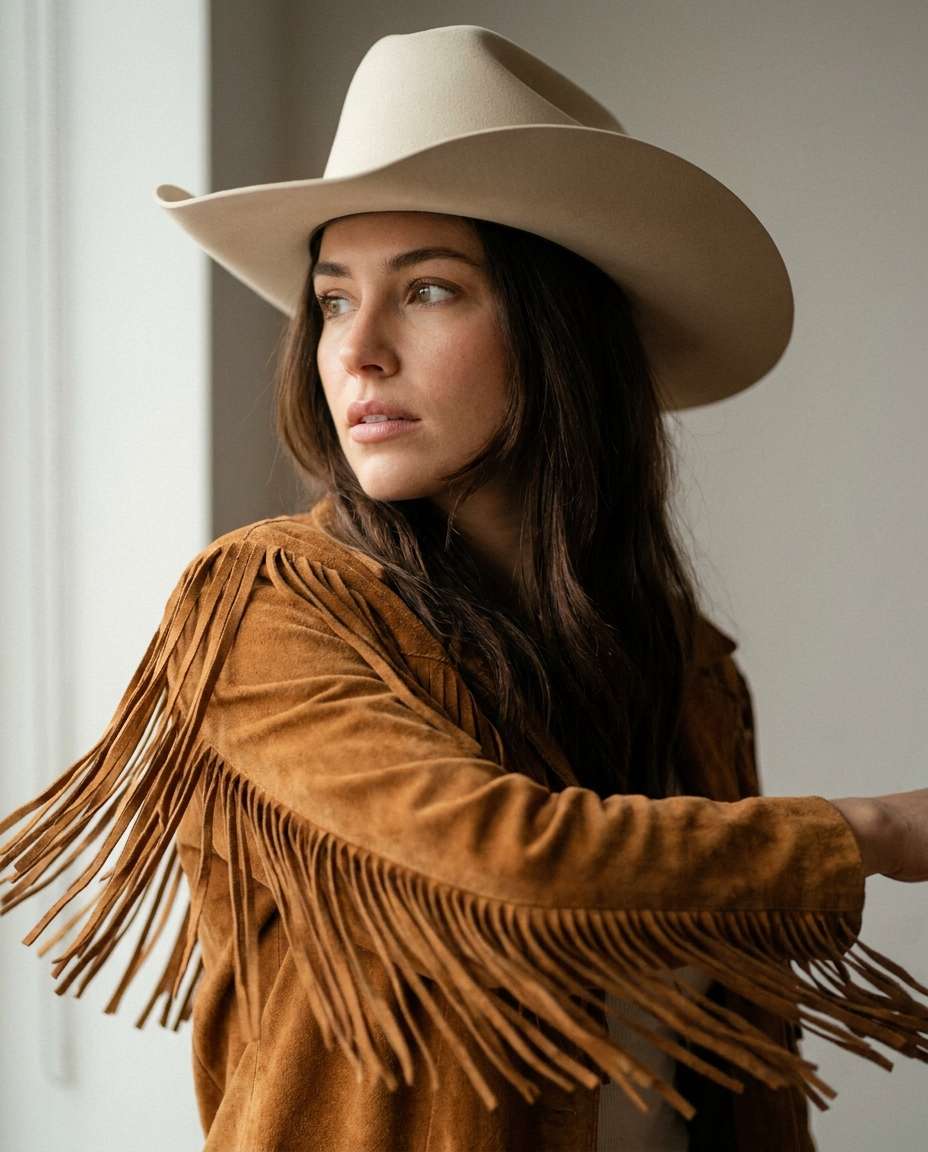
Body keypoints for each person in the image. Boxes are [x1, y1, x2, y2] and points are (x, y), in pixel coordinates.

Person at [1, 23, 927, 1152]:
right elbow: (503, 863)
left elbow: (749, 1065)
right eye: (334, 299)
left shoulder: (681, 665)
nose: (356, 351)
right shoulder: (270, 603)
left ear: (561, 337)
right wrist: (871, 830)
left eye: (429, 290)